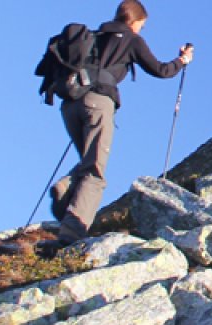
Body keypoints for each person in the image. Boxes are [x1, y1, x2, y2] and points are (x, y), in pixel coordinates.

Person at [46, 0, 194, 249]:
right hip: (98, 102)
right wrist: (182, 60)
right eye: (142, 26)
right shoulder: (131, 39)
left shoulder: (93, 35)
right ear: (135, 22)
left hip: (70, 103)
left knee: (89, 160)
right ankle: (72, 233)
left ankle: (65, 187)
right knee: (95, 172)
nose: (140, 30)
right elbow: (161, 70)